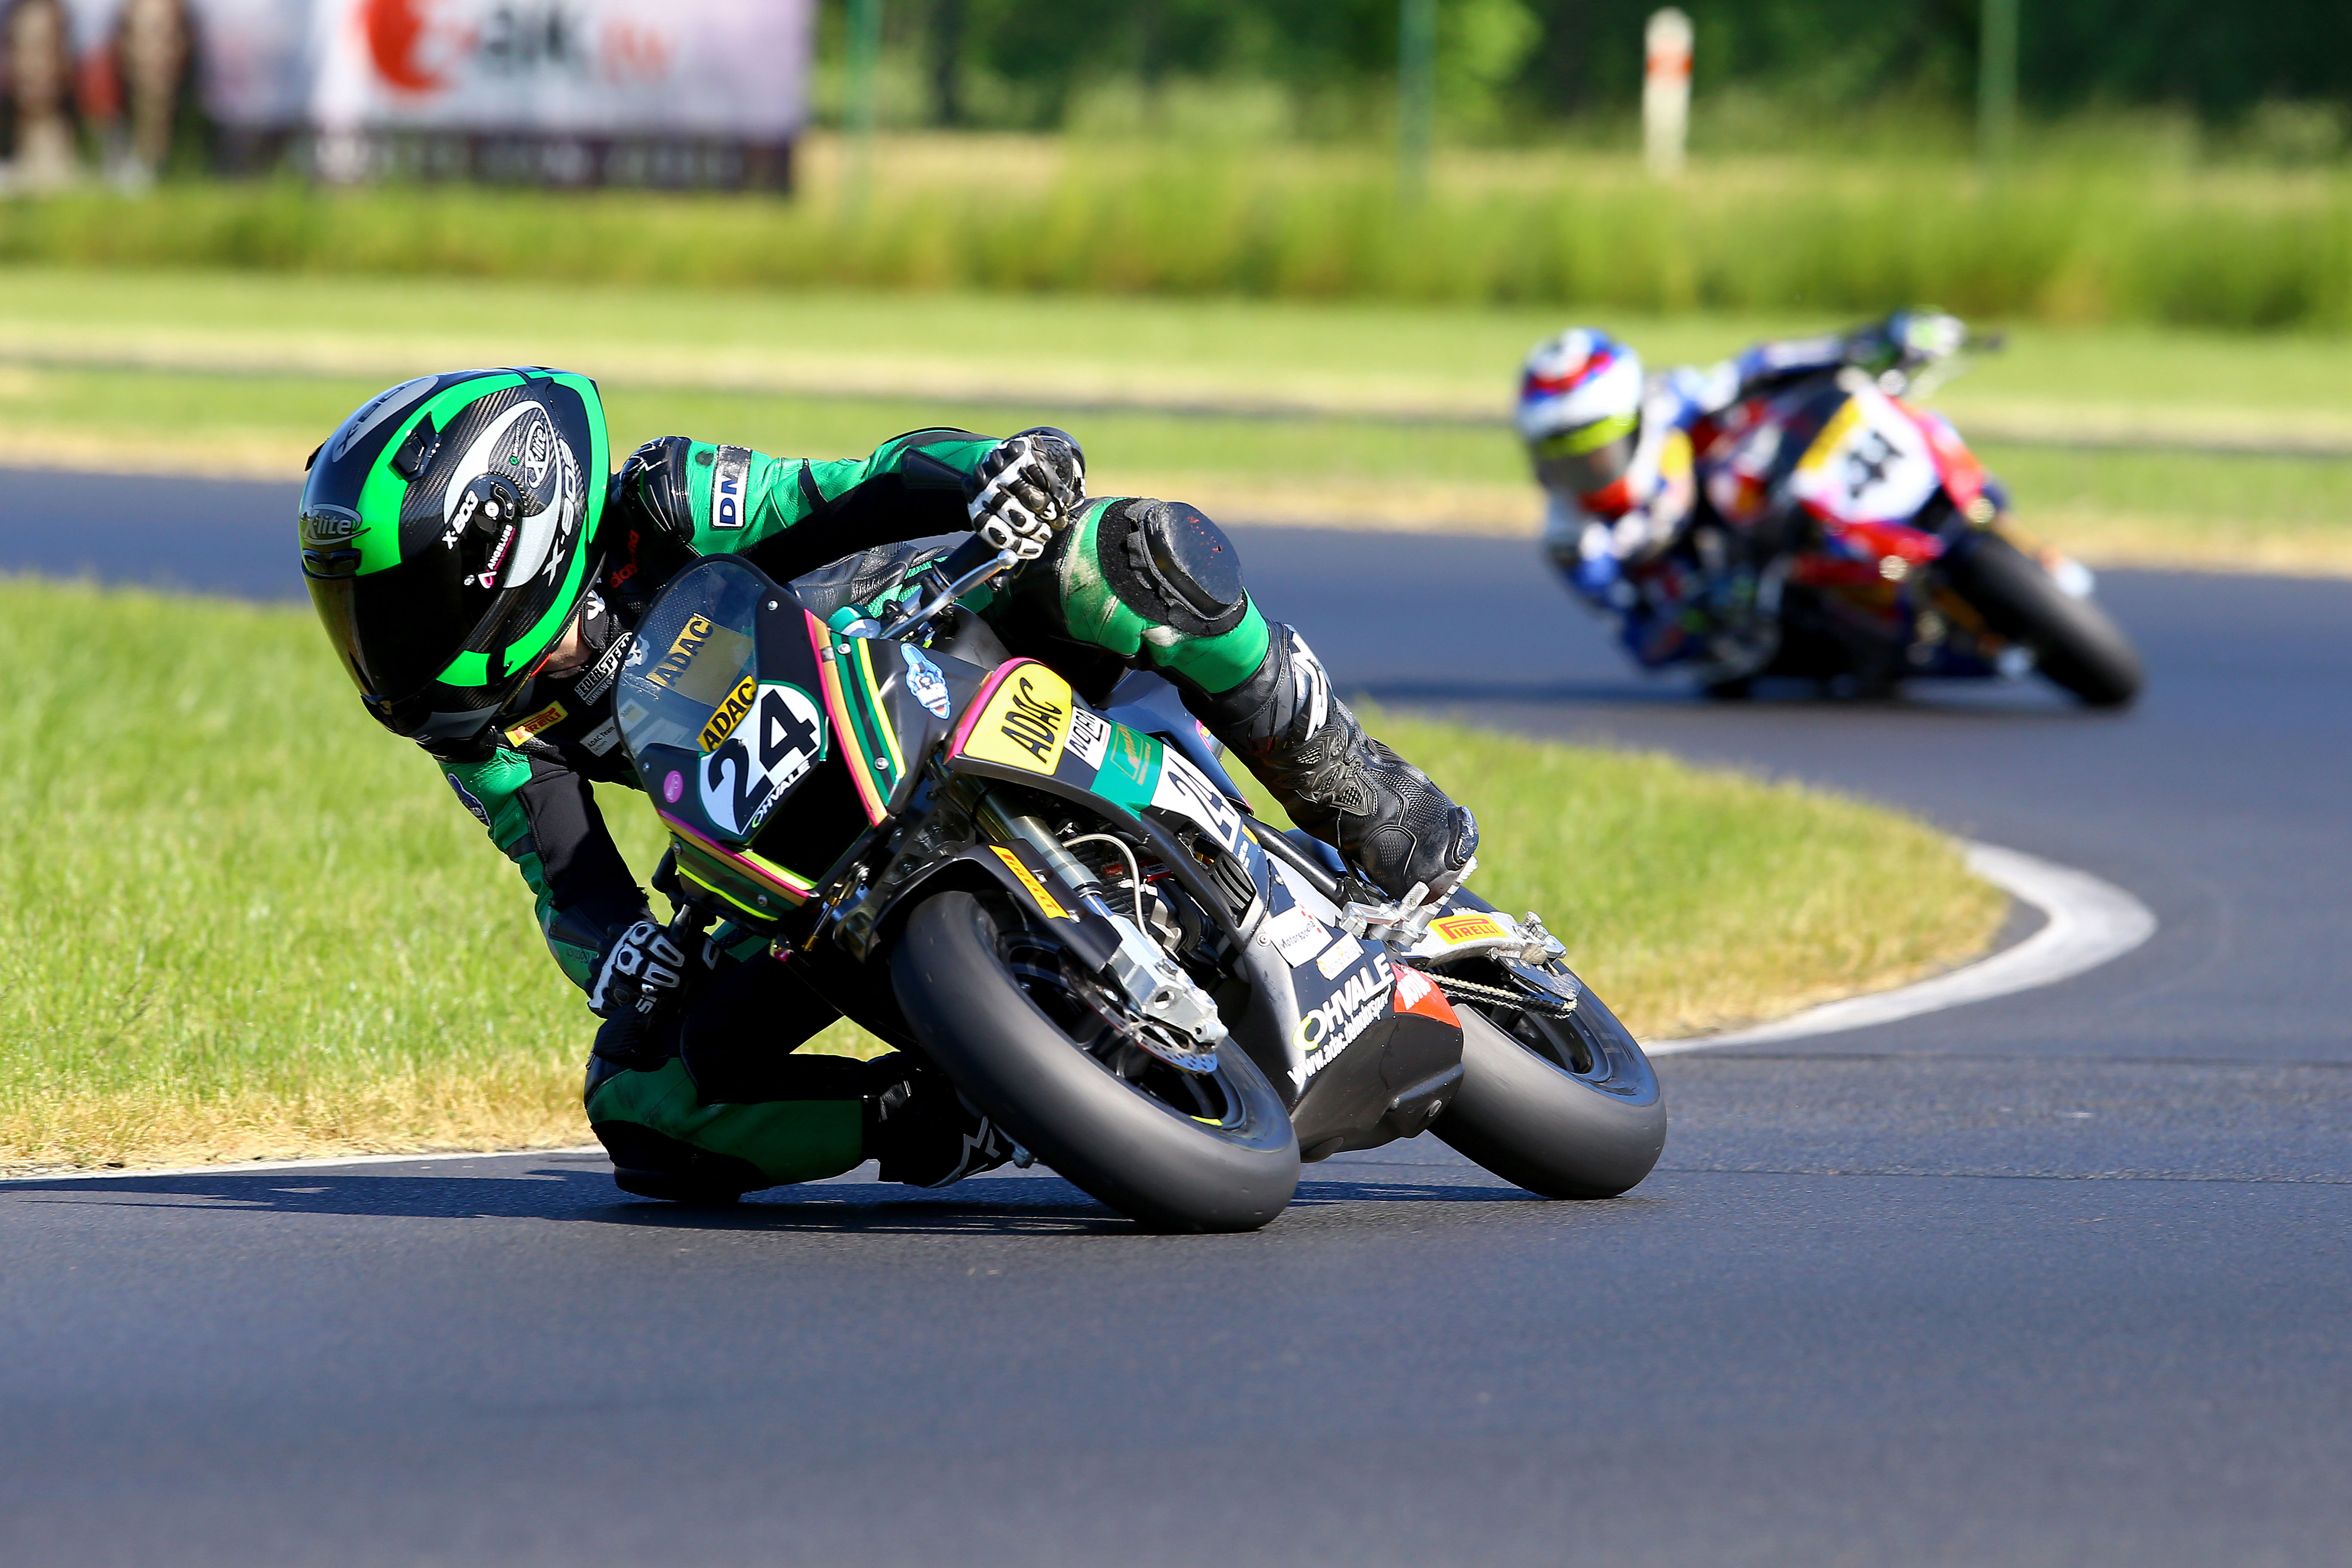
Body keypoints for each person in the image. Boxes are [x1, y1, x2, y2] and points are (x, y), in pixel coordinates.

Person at [298, 368, 1478, 1202]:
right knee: (644, 1107)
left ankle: (1348, 783)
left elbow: (852, 486)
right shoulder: (480, 723)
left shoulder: (661, 498)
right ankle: (952, 1107)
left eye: (395, 603)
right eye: (359, 612)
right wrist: (619, 955)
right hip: (787, 848)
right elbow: (564, 876)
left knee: (1123, 551)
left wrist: (998, 472)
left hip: (927, 642)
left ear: (504, 540)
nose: (380, 642)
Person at [1516, 309, 1969, 684]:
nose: (1586, 471)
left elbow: (1758, 365)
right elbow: (1643, 646)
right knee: (1743, 665)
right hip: (1741, 617)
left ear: (1633, 420)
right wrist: (1694, 616)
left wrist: (1871, 343)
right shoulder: (1575, 542)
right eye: (1564, 460)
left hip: (1769, 513)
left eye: (1597, 452)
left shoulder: (1670, 401)